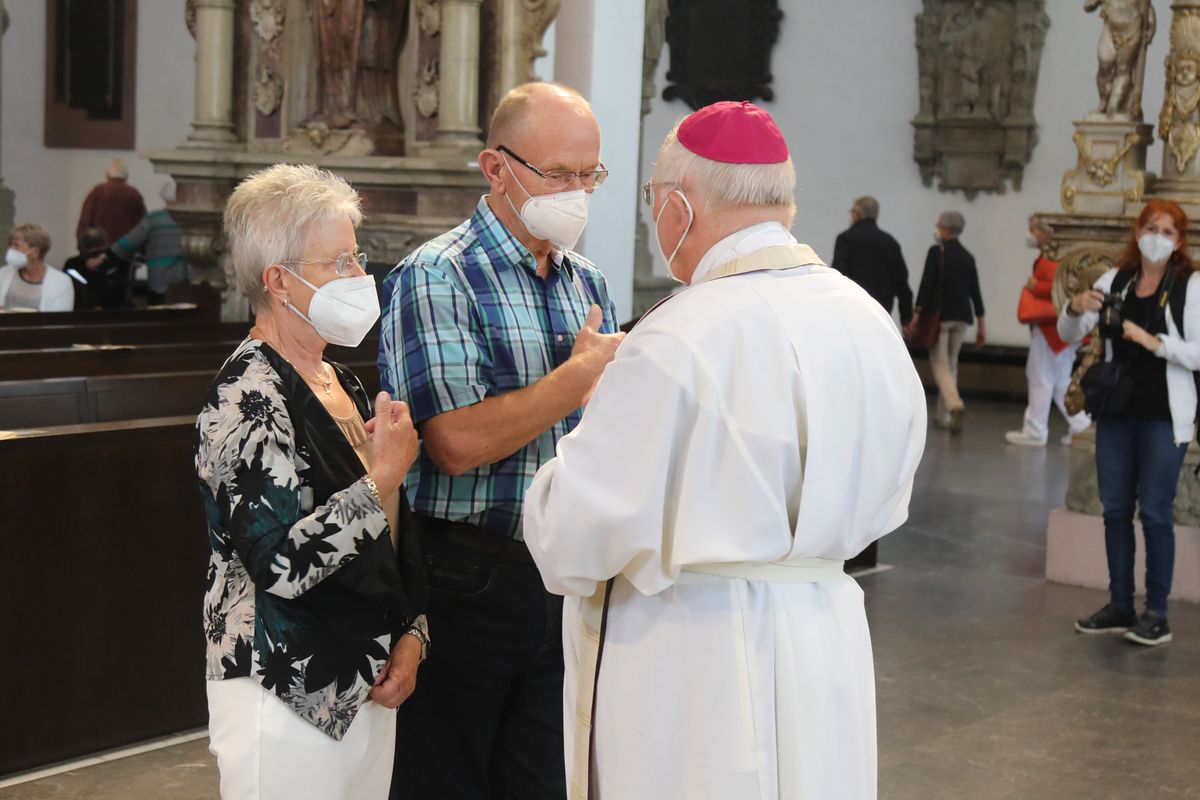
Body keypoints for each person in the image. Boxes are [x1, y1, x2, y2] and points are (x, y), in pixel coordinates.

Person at [523, 101, 927, 800]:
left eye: (654, 200)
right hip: (826, 628)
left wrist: (581, 432)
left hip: (694, 652)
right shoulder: (865, 317)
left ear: (680, 207)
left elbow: (573, 533)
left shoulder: (678, 335)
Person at [378, 81, 623, 800]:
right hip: (467, 575)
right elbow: (455, 441)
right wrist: (577, 377)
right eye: (558, 174)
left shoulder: (590, 283)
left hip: (565, 574)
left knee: (547, 781)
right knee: (447, 782)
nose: (577, 191)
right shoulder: (438, 275)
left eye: (590, 175)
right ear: (496, 168)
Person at [195, 163, 430, 797]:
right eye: (340, 263)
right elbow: (278, 564)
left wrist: (411, 633)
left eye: (358, 259)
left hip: (367, 677)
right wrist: (382, 473)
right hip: (284, 688)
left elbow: (390, 526)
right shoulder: (245, 397)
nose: (360, 278)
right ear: (278, 281)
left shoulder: (340, 381)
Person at [1061, 199, 1200, 647]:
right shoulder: (1115, 281)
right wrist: (1073, 306)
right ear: (1137, 231)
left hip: (1163, 416)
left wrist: (1154, 342)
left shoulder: (1190, 286)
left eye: (1168, 231)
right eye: (1152, 227)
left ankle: (1156, 612)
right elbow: (1069, 332)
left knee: (1156, 513)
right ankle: (1120, 603)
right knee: (1115, 509)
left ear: (1179, 242)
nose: (1157, 237)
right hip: (1117, 412)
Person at [1006, 216, 1091, 446]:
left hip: (1052, 331)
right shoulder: (1060, 255)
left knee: (1041, 377)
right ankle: (1080, 426)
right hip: (1055, 330)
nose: (1029, 233)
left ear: (1045, 233)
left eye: (1033, 229)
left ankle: (1036, 429)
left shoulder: (1055, 258)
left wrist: (1037, 287)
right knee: (1058, 379)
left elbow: (1060, 287)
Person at [907, 211, 986, 434]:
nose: (936, 227)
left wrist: (916, 315)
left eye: (939, 224)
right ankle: (943, 416)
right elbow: (976, 292)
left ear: (946, 228)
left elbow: (926, 285)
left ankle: (954, 405)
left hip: (940, 317)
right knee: (951, 364)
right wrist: (981, 324)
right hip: (962, 318)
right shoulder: (968, 257)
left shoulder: (936, 252)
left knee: (940, 365)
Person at [831, 195, 913, 328]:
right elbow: (902, 284)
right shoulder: (890, 243)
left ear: (858, 214)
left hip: (853, 310)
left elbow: (839, 275)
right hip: (882, 312)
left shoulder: (846, 239)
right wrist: (906, 319)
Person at [111, 182, 193, 304]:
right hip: (189, 277)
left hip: (160, 280)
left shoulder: (154, 219)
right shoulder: (192, 218)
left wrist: (107, 256)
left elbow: (129, 243)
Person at [0, 224, 74, 311]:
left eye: (16, 246)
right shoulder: (3, 274)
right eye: (10, 245)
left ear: (36, 252)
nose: (11, 250)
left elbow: (59, 320)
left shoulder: (61, 282)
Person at [76, 159, 147, 245]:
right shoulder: (133, 193)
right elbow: (143, 224)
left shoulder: (97, 191)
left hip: (99, 247)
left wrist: (82, 245)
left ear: (107, 175)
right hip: (126, 249)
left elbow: (85, 221)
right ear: (126, 177)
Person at [63, 227, 129, 309]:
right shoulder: (121, 263)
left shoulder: (72, 264)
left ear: (81, 245)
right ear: (105, 243)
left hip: (80, 314)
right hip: (116, 314)